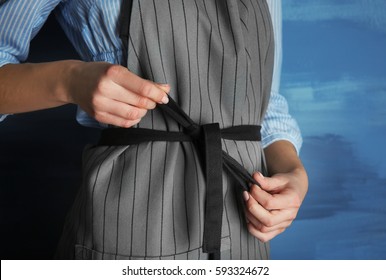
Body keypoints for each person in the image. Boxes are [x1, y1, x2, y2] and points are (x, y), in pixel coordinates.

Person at [0, 0, 308, 259]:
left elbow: (265, 106)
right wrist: (69, 80)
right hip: (135, 220)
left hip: (245, 226)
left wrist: (293, 174)